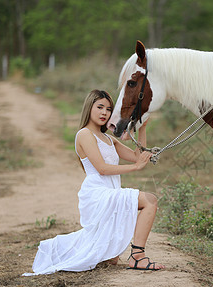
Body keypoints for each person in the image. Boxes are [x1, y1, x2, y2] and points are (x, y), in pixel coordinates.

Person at [23, 89, 164, 276]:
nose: (104, 112)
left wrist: (142, 128)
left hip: (110, 191)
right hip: (97, 194)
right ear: (89, 107)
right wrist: (136, 168)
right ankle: (138, 256)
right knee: (150, 200)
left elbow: (137, 156)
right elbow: (102, 169)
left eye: (108, 109)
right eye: (100, 107)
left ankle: (114, 254)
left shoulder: (107, 138)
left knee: (110, 257)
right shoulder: (84, 135)